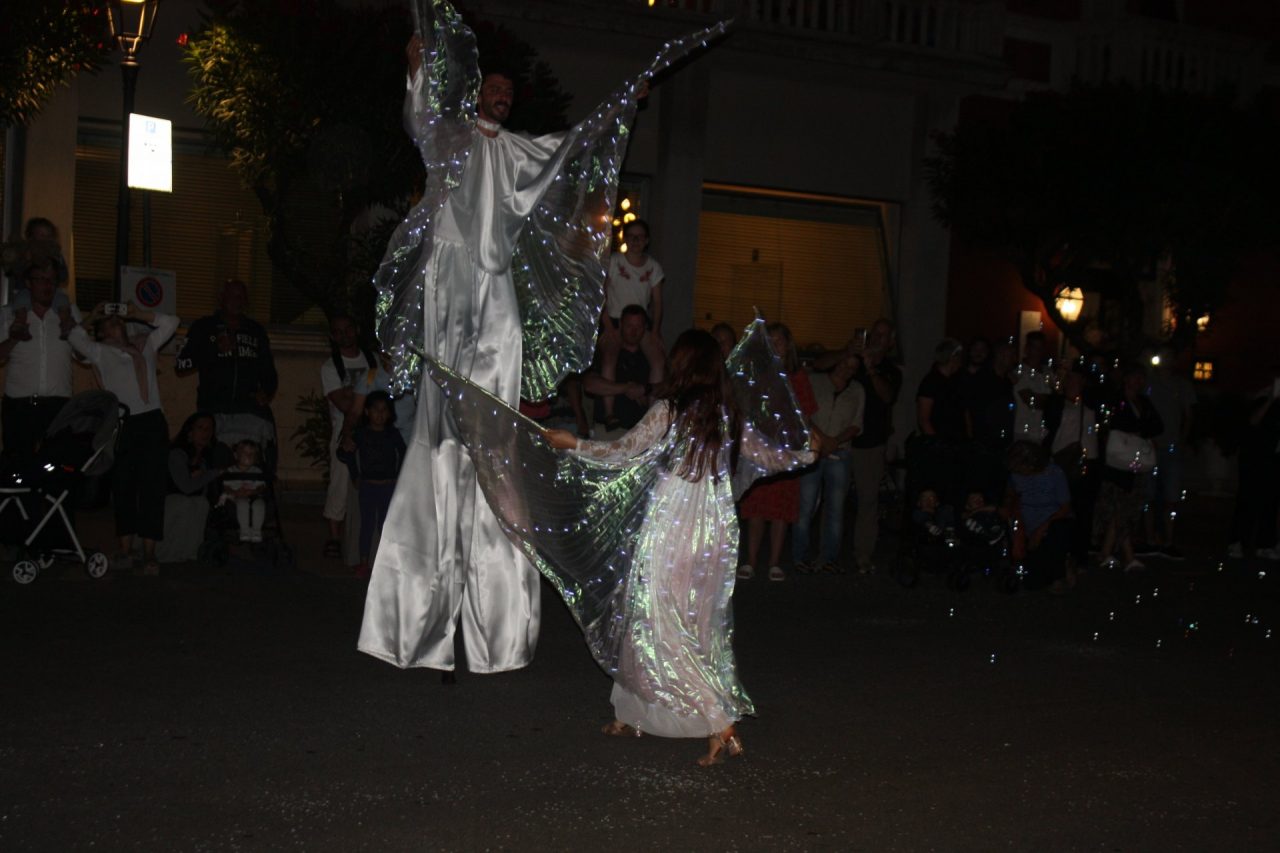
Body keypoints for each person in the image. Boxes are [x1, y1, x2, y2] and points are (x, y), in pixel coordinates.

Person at [360, 2, 724, 675]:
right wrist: (416, 68)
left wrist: (625, 107)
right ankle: (419, 619)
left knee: (494, 440)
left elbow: (571, 146)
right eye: (491, 89)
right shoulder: (451, 136)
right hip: (450, 286)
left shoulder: (518, 149)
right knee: (439, 439)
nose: (499, 97)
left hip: (493, 291)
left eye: (506, 92)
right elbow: (419, 120)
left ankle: (494, 621)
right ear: (475, 92)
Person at [501, 327, 814, 765]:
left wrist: (574, 443)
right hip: (714, 531)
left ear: (682, 366)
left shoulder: (670, 410)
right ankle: (632, 712)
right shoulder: (729, 415)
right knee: (687, 625)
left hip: (673, 524)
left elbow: (623, 450)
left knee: (659, 622)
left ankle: (719, 722)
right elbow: (776, 456)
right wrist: (807, 450)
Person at [68, 302, 180, 574]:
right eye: (107, 324)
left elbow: (172, 322)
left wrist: (136, 313)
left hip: (151, 421)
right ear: (101, 332)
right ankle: (125, 548)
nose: (113, 324)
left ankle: (150, 552)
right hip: (123, 422)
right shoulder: (99, 351)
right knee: (124, 485)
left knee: (152, 487)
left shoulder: (145, 345)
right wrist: (93, 314)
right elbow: (73, 336)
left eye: (116, 320)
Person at [736, 322, 816, 582]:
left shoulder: (796, 375)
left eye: (779, 341)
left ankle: (774, 562)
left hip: (787, 449)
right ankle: (750, 560)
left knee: (781, 508)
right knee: (757, 505)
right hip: (760, 449)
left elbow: (806, 413)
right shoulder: (756, 374)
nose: (774, 346)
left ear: (787, 344)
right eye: (769, 342)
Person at [175, 278, 278, 452]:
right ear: (221, 298)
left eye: (241, 297)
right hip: (214, 409)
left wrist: (266, 391)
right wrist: (212, 349)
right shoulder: (203, 327)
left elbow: (268, 370)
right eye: (232, 296)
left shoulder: (256, 330)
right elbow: (181, 366)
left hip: (248, 411)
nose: (237, 301)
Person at [0, 258, 84, 464]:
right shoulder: (9, 314)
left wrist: (76, 333)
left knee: (55, 468)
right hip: (19, 407)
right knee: (17, 467)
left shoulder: (68, 313)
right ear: (28, 283)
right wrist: (13, 338)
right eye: (41, 280)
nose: (48, 286)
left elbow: (85, 357)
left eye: (52, 281)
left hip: (59, 407)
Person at [793, 354, 864, 573]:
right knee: (805, 506)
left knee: (835, 509)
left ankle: (829, 558)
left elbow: (856, 424)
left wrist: (835, 441)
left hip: (840, 454)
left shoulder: (857, 391)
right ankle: (800, 556)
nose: (847, 369)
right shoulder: (815, 381)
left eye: (852, 367)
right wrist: (822, 439)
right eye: (844, 363)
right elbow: (805, 413)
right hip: (813, 450)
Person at [319, 313, 378, 560]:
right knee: (340, 483)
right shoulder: (331, 366)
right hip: (346, 431)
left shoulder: (372, 359)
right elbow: (342, 403)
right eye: (338, 331)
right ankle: (334, 536)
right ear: (333, 336)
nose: (345, 335)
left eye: (348, 329)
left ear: (356, 330)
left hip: (375, 432)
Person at [598, 220, 665, 429]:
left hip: (641, 323)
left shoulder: (654, 267)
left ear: (646, 241)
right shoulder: (615, 261)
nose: (635, 241)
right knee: (609, 359)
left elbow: (657, 302)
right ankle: (609, 413)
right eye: (631, 236)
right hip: (616, 321)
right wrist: (608, 325)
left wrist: (654, 332)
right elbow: (601, 293)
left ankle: (653, 417)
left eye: (640, 237)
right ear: (625, 239)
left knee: (658, 361)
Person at [1095, 366, 1163, 572]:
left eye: (1141, 378)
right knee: (1120, 507)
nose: (1138, 382)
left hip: (1135, 460)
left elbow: (1157, 425)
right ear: (1126, 379)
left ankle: (1107, 552)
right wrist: (1137, 430)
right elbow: (1112, 424)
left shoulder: (1144, 402)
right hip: (1118, 461)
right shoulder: (1116, 400)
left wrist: (1139, 430)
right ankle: (1127, 555)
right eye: (1134, 376)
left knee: (1126, 508)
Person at [338, 391, 407, 577]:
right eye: (376, 410)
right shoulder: (361, 434)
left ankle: (386, 564)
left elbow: (405, 453)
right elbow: (347, 454)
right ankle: (363, 562)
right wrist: (355, 475)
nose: (380, 414)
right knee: (366, 525)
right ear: (367, 412)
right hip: (368, 485)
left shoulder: (393, 434)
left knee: (386, 525)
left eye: (384, 410)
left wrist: (399, 477)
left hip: (388, 486)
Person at [1139, 348, 1195, 560]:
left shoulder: (1182, 385)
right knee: (1148, 495)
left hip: (1171, 448)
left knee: (1171, 496)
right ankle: (1150, 539)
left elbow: (1188, 415)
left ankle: (1169, 540)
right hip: (1150, 447)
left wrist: (1181, 440)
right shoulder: (1148, 383)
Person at [157, 412, 230, 564]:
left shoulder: (204, 459)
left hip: (185, 503)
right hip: (164, 505)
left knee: (200, 503)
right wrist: (211, 474)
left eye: (209, 429)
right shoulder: (177, 455)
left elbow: (202, 490)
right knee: (184, 502)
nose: (205, 433)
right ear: (190, 432)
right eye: (200, 428)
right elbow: (186, 487)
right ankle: (166, 552)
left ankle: (190, 552)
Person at [1044, 370, 1099, 564]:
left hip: (1087, 462)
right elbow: (1049, 424)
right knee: (1061, 509)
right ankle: (1060, 551)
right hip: (1062, 462)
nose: (1074, 383)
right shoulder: (1056, 403)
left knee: (1084, 511)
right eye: (1070, 379)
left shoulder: (1091, 404)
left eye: (1078, 379)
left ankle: (1079, 554)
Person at [1005, 440, 1074, 593]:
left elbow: (1065, 508)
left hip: (1052, 522)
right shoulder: (1017, 476)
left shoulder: (1055, 473)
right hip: (1028, 524)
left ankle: (1060, 574)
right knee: (1033, 584)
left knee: (1057, 531)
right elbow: (1011, 499)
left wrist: (1041, 529)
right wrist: (1018, 531)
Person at [589, 304, 659, 433]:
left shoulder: (650, 358)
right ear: (620, 325)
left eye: (638, 327)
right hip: (609, 433)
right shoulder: (606, 352)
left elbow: (667, 388)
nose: (633, 332)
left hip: (641, 433)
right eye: (629, 326)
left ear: (645, 328)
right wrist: (626, 388)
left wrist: (645, 390)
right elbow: (589, 384)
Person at [4, 218, 74, 338]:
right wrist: (26, 260)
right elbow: (13, 271)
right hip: (25, 290)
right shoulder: (25, 252)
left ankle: (66, 326)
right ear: (31, 237)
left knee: (62, 301)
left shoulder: (56, 254)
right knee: (21, 302)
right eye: (41, 235)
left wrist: (56, 265)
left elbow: (64, 277)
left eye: (48, 236)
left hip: (53, 292)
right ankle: (20, 325)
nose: (45, 239)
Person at [219, 440, 268, 543]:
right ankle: (244, 530)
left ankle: (256, 531)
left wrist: (253, 492)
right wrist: (235, 493)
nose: (248, 456)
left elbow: (262, 487)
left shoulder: (257, 471)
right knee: (242, 503)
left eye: (252, 454)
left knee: (260, 504)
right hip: (236, 496)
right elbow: (226, 486)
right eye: (245, 453)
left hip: (254, 495)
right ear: (237, 455)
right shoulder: (230, 471)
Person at [1012, 331, 1052, 443]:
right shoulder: (1019, 372)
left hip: (1044, 433)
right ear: (1027, 349)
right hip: (1024, 434)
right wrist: (1052, 400)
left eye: (1040, 348)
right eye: (1034, 347)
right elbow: (1033, 402)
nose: (1037, 352)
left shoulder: (1049, 372)